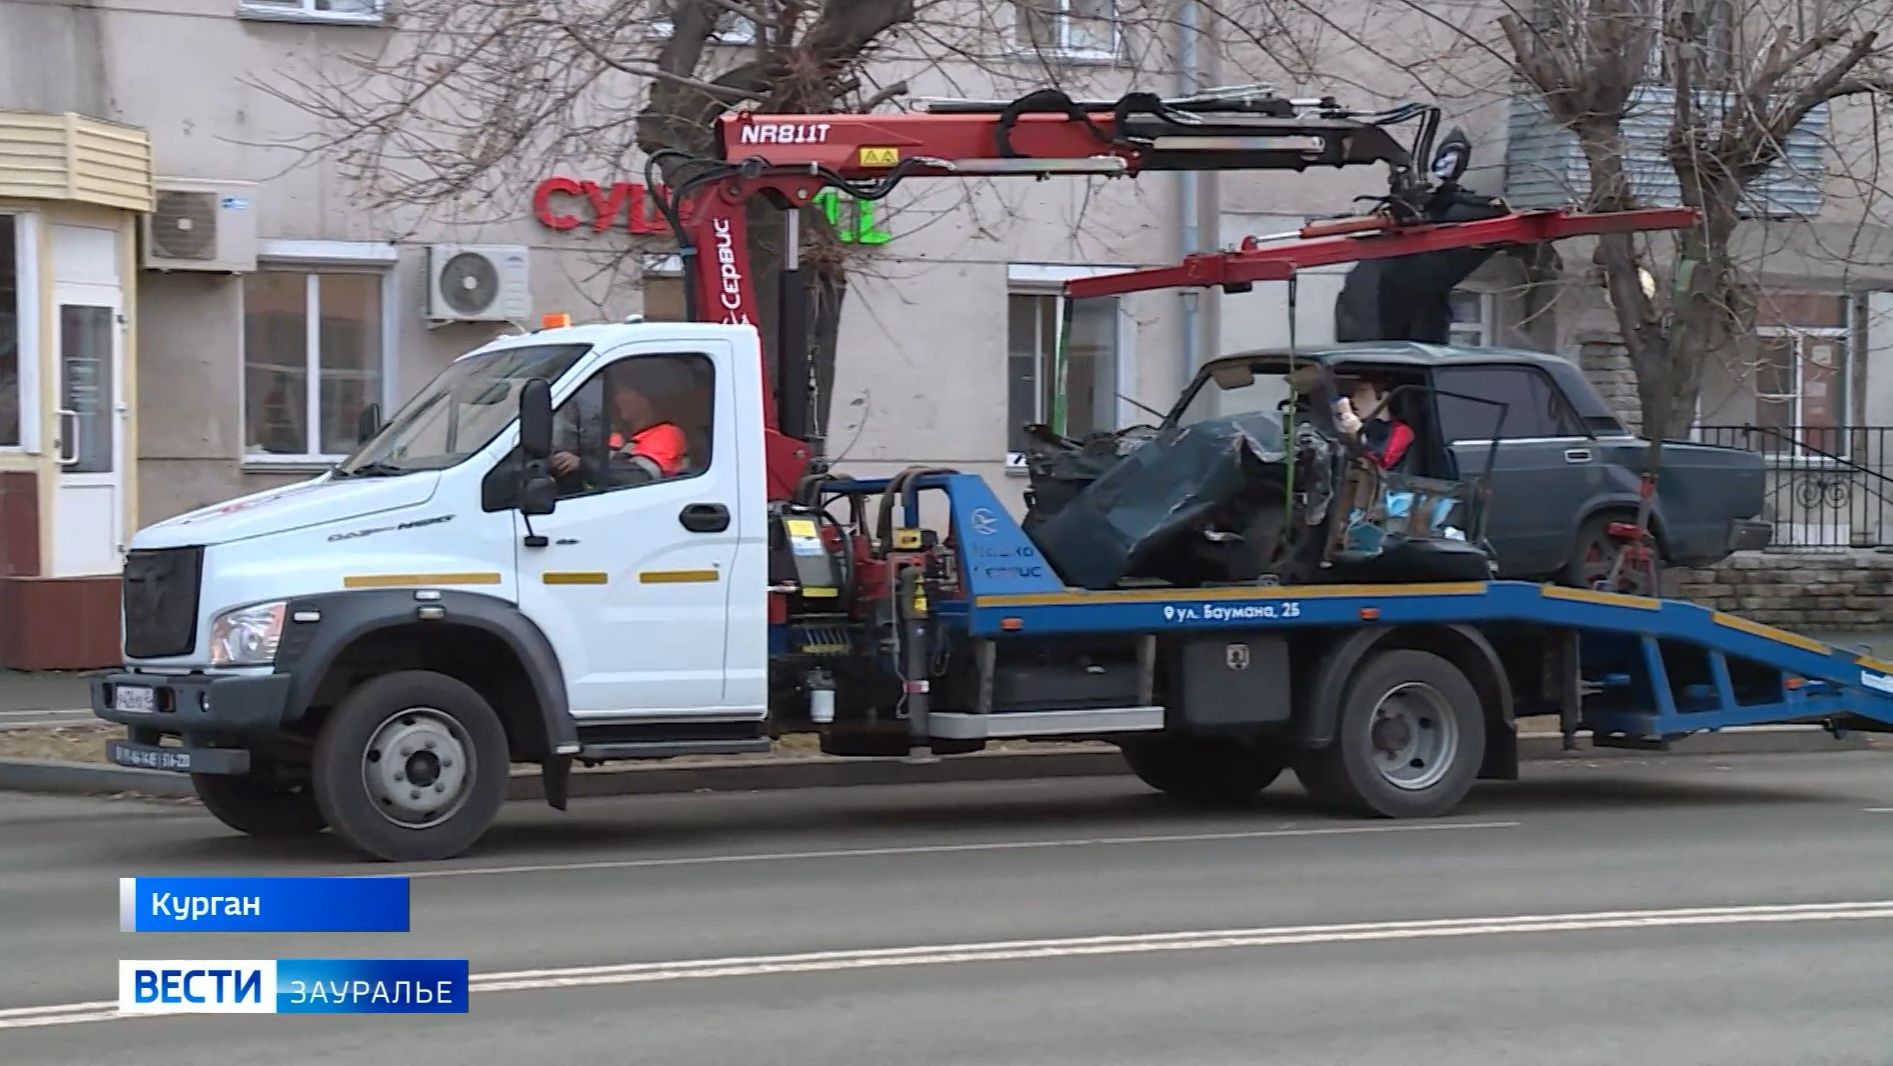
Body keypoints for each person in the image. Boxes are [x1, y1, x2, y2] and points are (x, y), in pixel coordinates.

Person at [603, 364, 690, 484]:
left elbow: (638, 477)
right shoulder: (620, 434)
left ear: (645, 399)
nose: (616, 399)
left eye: (625, 392)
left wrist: (584, 464)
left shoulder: (667, 434)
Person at [1334, 375, 1415, 472]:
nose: (1353, 400)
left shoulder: (1401, 431)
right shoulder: (1367, 424)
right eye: (1351, 394)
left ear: (1383, 397)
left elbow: (1379, 465)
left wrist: (1356, 436)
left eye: (1362, 393)